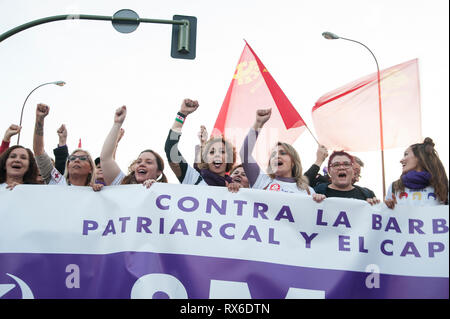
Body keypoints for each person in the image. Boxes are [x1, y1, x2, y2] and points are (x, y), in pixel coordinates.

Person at [240, 108, 325, 202]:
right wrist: (258, 123)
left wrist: (320, 201)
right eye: (273, 155)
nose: (277, 156)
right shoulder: (261, 181)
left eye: (283, 153)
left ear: (293, 162)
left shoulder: (308, 191)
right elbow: (245, 154)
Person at [165, 98, 239, 189]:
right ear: (204, 159)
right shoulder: (192, 178)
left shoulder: (237, 188)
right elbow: (170, 149)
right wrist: (182, 114)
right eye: (212, 152)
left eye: (222, 151)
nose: (217, 155)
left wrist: (238, 191)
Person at [32, 103, 98, 189]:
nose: (77, 160)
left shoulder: (96, 192)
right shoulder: (56, 181)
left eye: (83, 158)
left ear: (91, 169)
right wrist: (40, 120)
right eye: (72, 158)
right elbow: (39, 151)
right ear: (67, 166)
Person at [100, 106, 167, 188]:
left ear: (159, 172)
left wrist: (155, 188)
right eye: (138, 162)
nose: (142, 164)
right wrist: (117, 124)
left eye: (149, 162)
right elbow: (105, 158)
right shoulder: (121, 185)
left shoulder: (163, 191)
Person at [384, 137, 448, 208]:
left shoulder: (443, 186)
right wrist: (391, 209)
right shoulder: (394, 187)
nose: (401, 160)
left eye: (406, 154)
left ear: (420, 157)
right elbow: (385, 216)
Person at [314, 150, 379, 205]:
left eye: (346, 164)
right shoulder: (317, 191)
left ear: (352, 170)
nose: (342, 167)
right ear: (329, 171)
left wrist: (378, 205)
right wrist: (313, 200)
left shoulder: (367, 194)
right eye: (336, 165)